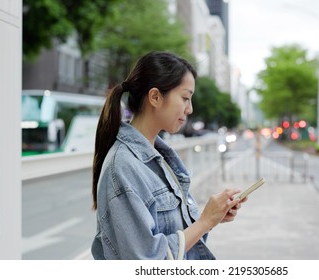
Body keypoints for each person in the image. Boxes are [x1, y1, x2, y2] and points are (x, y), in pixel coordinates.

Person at [91, 51, 245, 260]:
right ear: (155, 97)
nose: (189, 109)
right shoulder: (123, 166)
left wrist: (212, 216)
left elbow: (167, 231)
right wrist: (204, 222)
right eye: (185, 98)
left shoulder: (157, 156)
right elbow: (146, 261)